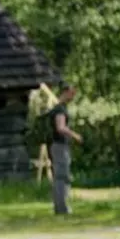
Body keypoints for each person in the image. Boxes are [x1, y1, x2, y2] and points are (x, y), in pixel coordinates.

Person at [46, 85, 82, 215]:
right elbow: (60, 127)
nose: (73, 97)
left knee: (60, 176)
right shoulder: (60, 109)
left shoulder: (57, 108)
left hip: (57, 146)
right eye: (72, 94)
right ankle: (62, 208)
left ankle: (59, 207)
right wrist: (75, 135)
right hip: (60, 146)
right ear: (65, 92)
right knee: (62, 176)